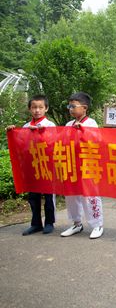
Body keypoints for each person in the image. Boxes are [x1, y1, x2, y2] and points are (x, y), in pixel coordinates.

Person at [7, 95, 56, 235]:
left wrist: (41, 134)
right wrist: (13, 132)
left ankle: (49, 222)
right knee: (33, 196)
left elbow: (54, 143)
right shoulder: (26, 127)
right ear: (29, 109)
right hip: (32, 166)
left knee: (48, 196)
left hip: (46, 166)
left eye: (40, 107)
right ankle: (36, 223)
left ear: (46, 108)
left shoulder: (50, 125)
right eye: (34, 107)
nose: (37, 110)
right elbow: (21, 145)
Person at [60, 92, 104, 239]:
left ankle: (97, 224)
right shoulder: (68, 125)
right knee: (71, 195)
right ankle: (76, 223)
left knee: (89, 195)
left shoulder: (91, 123)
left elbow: (97, 141)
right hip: (71, 164)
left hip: (88, 164)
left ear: (84, 107)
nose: (70, 109)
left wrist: (83, 131)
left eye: (73, 106)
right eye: (69, 106)